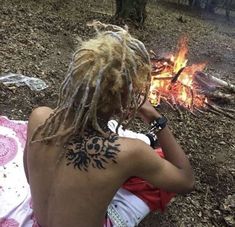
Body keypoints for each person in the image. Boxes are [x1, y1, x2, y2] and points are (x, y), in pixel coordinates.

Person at [23, 22, 194, 227]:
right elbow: (186, 181)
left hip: (40, 220)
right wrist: (154, 117)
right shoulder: (128, 153)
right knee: (154, 165)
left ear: (75, 78)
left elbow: (31, 177)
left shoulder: (40, 119)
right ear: (125, 99)